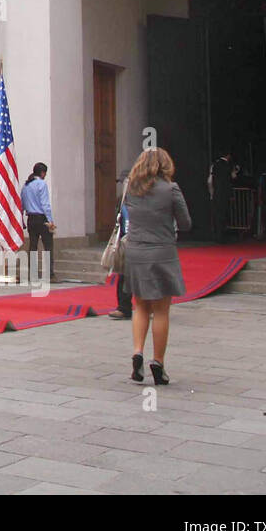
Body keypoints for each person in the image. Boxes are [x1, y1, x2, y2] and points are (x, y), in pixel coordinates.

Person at [122, 147, 190, 386]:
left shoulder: (130, 188)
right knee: (161, 310)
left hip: (136, 251)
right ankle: (158, 362)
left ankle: (137, 352)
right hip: (162, 251)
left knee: (139, 305)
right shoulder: (171, 189)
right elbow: (186, 222)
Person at [20, 162, 56, 279]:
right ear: (42, 173)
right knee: (48, 246)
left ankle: (33, 273)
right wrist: (50, 220)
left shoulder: (26, 186)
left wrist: (22, 220)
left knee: (33, 246)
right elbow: (45, 204)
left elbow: (22, 204)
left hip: (31, 218)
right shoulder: (41, 184)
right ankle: (49, 274)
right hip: (42, 218)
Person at [108, 189, 132, 320]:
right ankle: (124, 307)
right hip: (126, 241)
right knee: (124, 275)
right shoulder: (122, 201)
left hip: (143, 240)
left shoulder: (146, 199)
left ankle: (149, 305)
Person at [209, 149, 234, 242]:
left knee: (217, 214)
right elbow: (229, 180)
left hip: (216, 192)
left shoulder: (215, 164)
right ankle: (222, 236)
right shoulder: (227, 166)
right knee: (223, 214)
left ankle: (217, 235)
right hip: (224, 193)